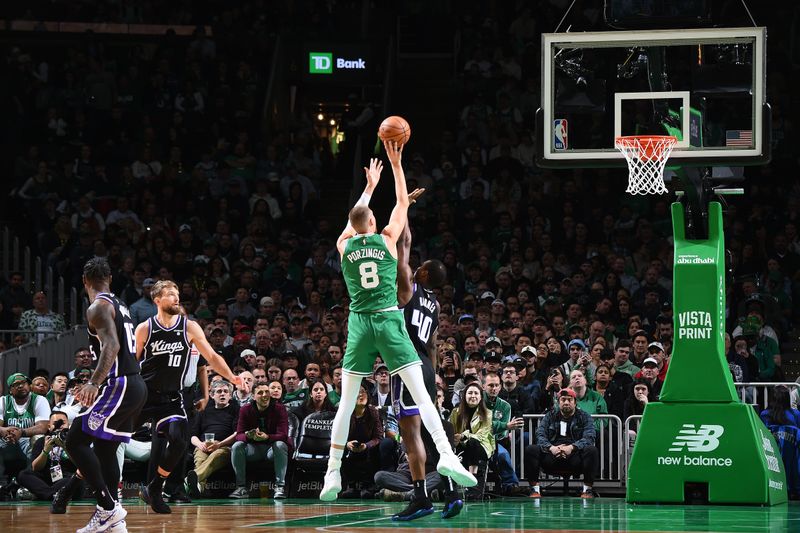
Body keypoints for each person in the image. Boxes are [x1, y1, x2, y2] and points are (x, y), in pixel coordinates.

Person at [321, 145, 475, 501]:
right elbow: (402, 204)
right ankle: (448, 456)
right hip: (389, 322)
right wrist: (394, 164)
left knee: (345, 404)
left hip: (359, 324)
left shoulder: (343, 245)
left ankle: (332, 474)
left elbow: (353, 218)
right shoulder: (388, 240)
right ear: (374, 224)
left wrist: (369, 187)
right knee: (423, 397)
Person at [133, 279, 241, 514]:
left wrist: (232, 377)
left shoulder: (189, 326)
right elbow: (132, 364)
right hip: (144, 395)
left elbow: (210, 357)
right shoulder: (144, 328)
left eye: (177, 293)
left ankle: (155, 487)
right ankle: (74, 486)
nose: (176, 297)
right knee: (111, 438)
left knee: (180, 440)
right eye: (171, 294)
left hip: (173, 396)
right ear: (157, 300)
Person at [59, 258, 148, 532]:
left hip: (119, 384)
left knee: (74, 440)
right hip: (135, 385)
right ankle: (112, 522)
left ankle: (108, 507)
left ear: (85, 281)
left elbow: (111, 344)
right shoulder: (120, 304)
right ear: (109, 277)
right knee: (106, 449)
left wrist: (95, 383)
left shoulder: (97, 306)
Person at [391, 207, 463, 520]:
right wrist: (432, 376)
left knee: (412, 435)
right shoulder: (434, 303)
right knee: (434, 431)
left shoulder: (409, 288)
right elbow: (433, 344)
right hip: (425, 365)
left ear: (421, 274)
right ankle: (451, 490)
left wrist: (402, 206)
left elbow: (400, 246)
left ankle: (420, 497)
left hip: (406, 362)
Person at [524, 388, 599, 499]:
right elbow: (540, 435)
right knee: (531, 449)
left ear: (575, 402)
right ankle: (534, 490)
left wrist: (572, 447)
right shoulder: (549, 416)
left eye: (570, 400)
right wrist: (551, 448)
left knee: (591, 450)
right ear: (558, 402)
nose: (566, 402)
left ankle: (587, 490)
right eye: (563, 400)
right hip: (552, 456)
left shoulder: (584, 416)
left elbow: (589, 436)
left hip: (575, 456)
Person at [229, 381, 290, 499]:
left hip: (272, 450)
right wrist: (248, 436)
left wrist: (267, 437)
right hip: (253, 450)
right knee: (237, 446)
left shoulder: (279, 408)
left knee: (280, 444)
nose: (264, 395)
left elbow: (283, 435)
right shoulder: (245, 409)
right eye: (260, 392)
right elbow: (239, 435)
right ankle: (241, 488)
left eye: (267, 392)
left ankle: (279, 487)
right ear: (253, 396)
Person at [185, 380, 240, 498]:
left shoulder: (236, 409)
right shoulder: (204, 411)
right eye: (219, 391)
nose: (222, 394)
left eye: (226, 391)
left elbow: (237, 433)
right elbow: (193, 435)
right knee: (200, 458)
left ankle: (189, 481)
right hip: (204, 445)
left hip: (224, 447)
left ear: (230, 395)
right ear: (211, 395)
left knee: (216, 455)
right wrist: (200, 444)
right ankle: (200, 489)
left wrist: (219, 444)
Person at [17, 410, 84, 502]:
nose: (59, 426)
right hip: (46, 477)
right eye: (56, 423)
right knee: (23, 475)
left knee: (75, 479)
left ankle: (44, 494)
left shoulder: (75, 441)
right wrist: (45, 450)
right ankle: (52, 495)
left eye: (62, 423)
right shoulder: (41, 441)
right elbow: (35, 467)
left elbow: (81, 466)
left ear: (68, 424)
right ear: (49, 426)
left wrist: (65, 447)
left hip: (66, 477)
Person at [1, 373, 51, 484]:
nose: (21, 386)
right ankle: (2, 484)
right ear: (10, 390)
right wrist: (3, 431)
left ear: (29, 386)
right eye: (16, 384)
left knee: (38, 438)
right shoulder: (3, 401)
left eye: (23, 383)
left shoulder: (39, 400)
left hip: (27, 439)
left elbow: (42, 427)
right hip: (8, 439)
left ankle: (33, 481)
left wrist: (21, 432)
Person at [448, 382, 495, 500]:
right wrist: (454, 439)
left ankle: (472, 477)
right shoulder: (455, 412)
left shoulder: (488, 413)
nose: (473, 396)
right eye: (470, 393)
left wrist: (463, 436)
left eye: (476, 393)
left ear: (480, 397)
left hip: (482, 447)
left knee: (472, 442)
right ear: (464, 396)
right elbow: (450, 430)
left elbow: (481, 435)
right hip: (461, 445)